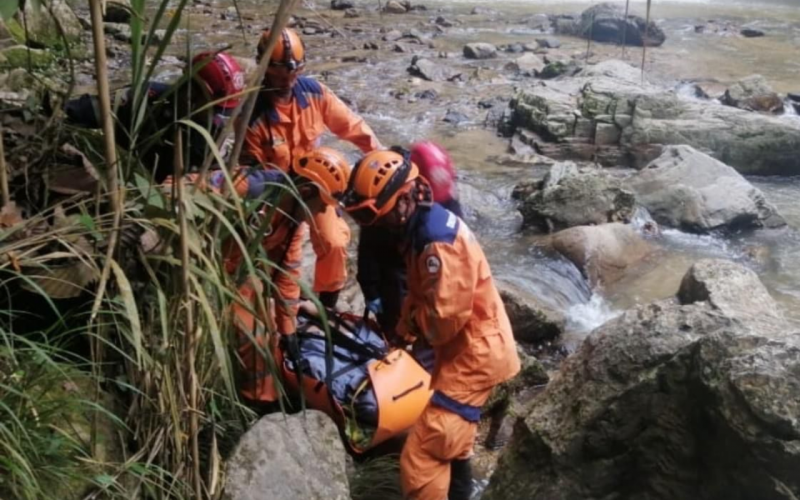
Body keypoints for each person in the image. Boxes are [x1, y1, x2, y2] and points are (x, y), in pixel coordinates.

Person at [341, 149, 520, 500]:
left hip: (474, 354)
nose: (376, 224)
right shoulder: (418, 229)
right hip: (468, 348)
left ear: (405, 198)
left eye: (379, 213)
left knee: (423, 453)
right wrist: (402, 333)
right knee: (454, 443)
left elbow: (444, 323)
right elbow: (422, 295)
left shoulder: (436, 241)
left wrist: (416, 331)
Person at [172, 147, 353, 404]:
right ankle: (257, 400)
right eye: (321, 206)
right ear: (305, 191)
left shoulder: (292, 222)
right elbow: (181, 188)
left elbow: (286, 276)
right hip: (204, 264)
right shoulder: (251, 186)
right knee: (254, 330)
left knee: (269, 327)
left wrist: (288, 329)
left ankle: (263, 397)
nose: (322, 215)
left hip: (236, 271)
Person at [241, 27, 382, 309]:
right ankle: (278, 305)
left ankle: (327, 304)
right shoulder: (251, 115)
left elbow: (352, 127)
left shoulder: (315, 94)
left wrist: (381, 156)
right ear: (265, 67)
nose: (287, 81)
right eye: (280, 73)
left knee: (334, 242)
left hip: (316, 187)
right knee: (272, 258)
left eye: (293, 73)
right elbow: (250, 175)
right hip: (275, 196)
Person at [64, 51, 246, 183]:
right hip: (117, 183)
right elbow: (74, 114)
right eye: (212, 108)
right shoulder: (140, 100)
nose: (217, 118)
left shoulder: (211, 131)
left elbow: (219, 176)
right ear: (190, 92)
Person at [357, 142, 462, 345]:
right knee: (395, 324)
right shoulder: (387, 196)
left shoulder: (442, 205)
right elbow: (368, 250)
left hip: (417, 266)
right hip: (393, 269)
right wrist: (370, 290)